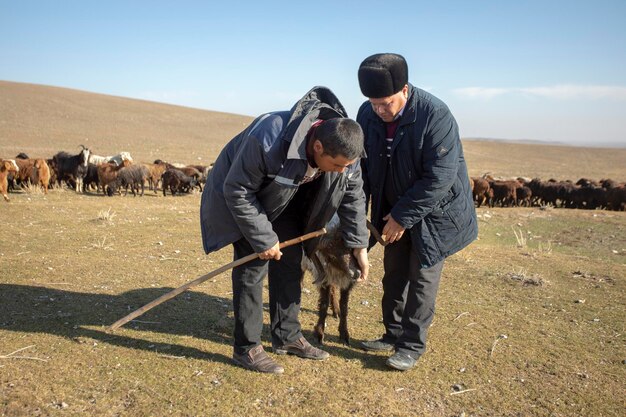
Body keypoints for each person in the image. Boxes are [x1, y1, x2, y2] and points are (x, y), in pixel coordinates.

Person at [200, 86, 370, 374]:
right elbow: (237, 190)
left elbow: (353, 194)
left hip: (288, 199)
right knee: (253, 266)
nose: (342, 171)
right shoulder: (268, 138)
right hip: (246, 198)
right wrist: (264, 238)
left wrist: (358, 245)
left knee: (291, 262)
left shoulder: (346, 148)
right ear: (317, 148)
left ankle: (288, 336)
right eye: (337, 165)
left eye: (347, 166)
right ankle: (247, 348)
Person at [356, 53, 478, 371]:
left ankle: (411, 346)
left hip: (435, 214)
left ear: (405, 90)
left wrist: (401, 217)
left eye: (387, 103)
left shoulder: (435, 115)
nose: (380, 110)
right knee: (394, 274)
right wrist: (359, 222)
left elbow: (440, 178)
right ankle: (392, 333)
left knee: (421, 278)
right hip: (392, 210)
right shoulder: (366, 115)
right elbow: (362, 171)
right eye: (373, 103)